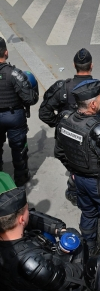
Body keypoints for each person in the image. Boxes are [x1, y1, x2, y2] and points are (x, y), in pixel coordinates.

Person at [39, 48, 100, 203]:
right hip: (96, 141)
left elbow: (44, 113)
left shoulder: (63, 87)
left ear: (74, 65)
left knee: (76, 166)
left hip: (73, 141)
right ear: (92, 66)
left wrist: (64, 125)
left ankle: (75, 187)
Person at [54, 79, 100, 254]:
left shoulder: (65, 121)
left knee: (88, 214)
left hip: (79, 180)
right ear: (94, 105)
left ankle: (89, 249)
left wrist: (74, 171)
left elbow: (59, 153)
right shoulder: (98, 131)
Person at [0, 38, 38, 185]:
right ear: (6, 53)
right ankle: (21, 178)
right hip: (14, 116)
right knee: (19, 149)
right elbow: (30, 99)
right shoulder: (15, 74)